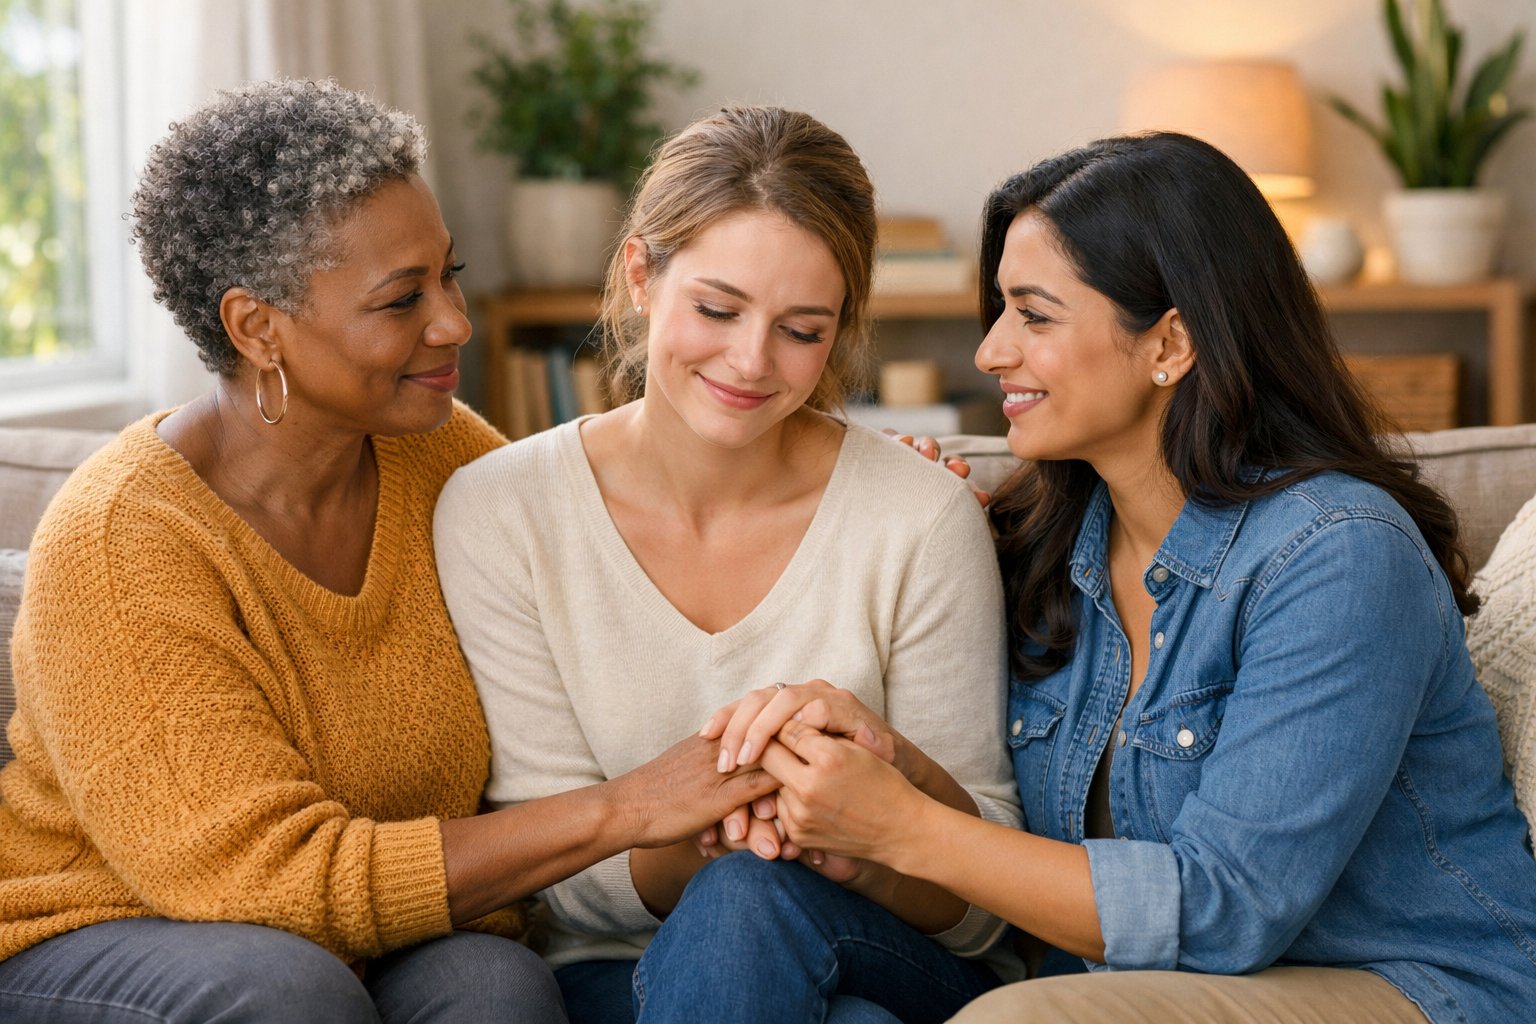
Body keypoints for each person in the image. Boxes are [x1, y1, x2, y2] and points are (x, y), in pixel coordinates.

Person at [0, 78, 779, 1024]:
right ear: (257, 328)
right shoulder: (125, 542)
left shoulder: (443, 453)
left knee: (497, 989)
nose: (451, 321)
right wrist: (624, 809)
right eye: (400, 299)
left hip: (372, 936)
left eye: (447, 273)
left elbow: (623, 528)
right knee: (286, 993)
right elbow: (262, 882)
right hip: (99, 931)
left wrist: (843, 476)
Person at [711, 132, 1536, 1024]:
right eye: (998, 312)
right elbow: (1012, 863)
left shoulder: (1337, 557)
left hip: (1409, 985)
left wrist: (903, 826)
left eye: (1034, 316)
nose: (990, 353)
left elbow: (1224, 910)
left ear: (1170, 343)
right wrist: (881, 759)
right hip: (1113, 985)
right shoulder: (1040, 545)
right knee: (779, 928)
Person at [433, 105, 1020, 1024]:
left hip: (876, 946)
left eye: (802, 328)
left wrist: (847, 836)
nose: (751, 361)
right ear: (640, 275)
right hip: (615, 976)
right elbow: (553, 880)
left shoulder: (921, 516)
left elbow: (983, 908)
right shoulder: (501, 511)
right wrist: (714, 831)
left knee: (754, 896)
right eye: (717, 308)